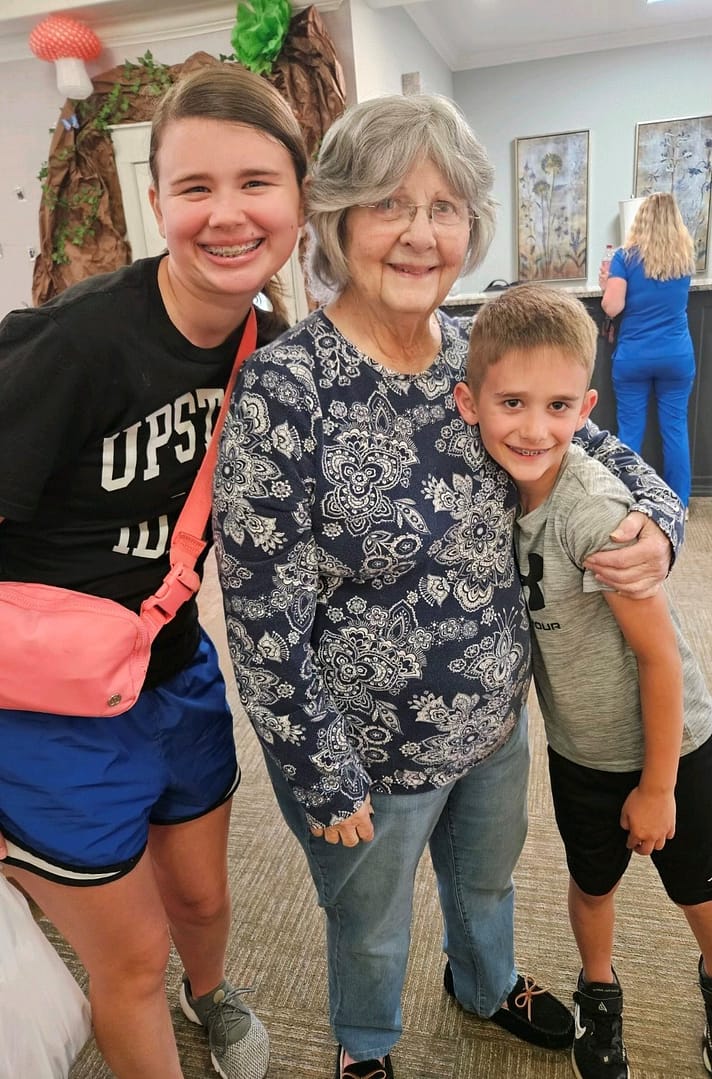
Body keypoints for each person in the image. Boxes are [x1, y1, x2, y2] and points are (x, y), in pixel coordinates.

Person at [212, 92, 684, 1079]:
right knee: (372, 920)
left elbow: (592, 441)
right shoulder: (284, 389)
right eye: (390, 203)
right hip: (367, 746)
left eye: (444, 207)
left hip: (494, 718)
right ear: (339, 219)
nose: (420, 232)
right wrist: (317, 767)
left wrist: (662, 527)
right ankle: (365, 1047)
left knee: (485, 883)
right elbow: (261, 614)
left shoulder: (475, 347)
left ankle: (484, 983)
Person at [0, 63, 306, 1079]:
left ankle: (212, 995)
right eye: (194, 187)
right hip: (46, 707)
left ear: (300, 198)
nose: (226, 215)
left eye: (256, 182)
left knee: (206, 899)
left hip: (172, 663)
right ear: (157, 201)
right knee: (128, 961)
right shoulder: (72, 344)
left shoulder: (275, 349)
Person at [455, 283, 712, 1079]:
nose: (535, 428)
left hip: (673, 746)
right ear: (470, 403)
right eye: (513, 403)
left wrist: (660, 785)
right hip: (580, 750)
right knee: (591, 884)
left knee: (698, 891)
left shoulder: (594, 510)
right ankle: (599, 993)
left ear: (588, 405)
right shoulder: (497, 491)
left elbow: (658, 656)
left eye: (559, 405)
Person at [599, 192, 696, 511]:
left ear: (640, 219)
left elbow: (613, 306)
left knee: (630, 432)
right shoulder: (684, 257)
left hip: (634, 358)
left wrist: (605, 286)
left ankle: (629, 500)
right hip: (676, 357)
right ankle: (678, 504)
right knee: (675, 431)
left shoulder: (624, 258)